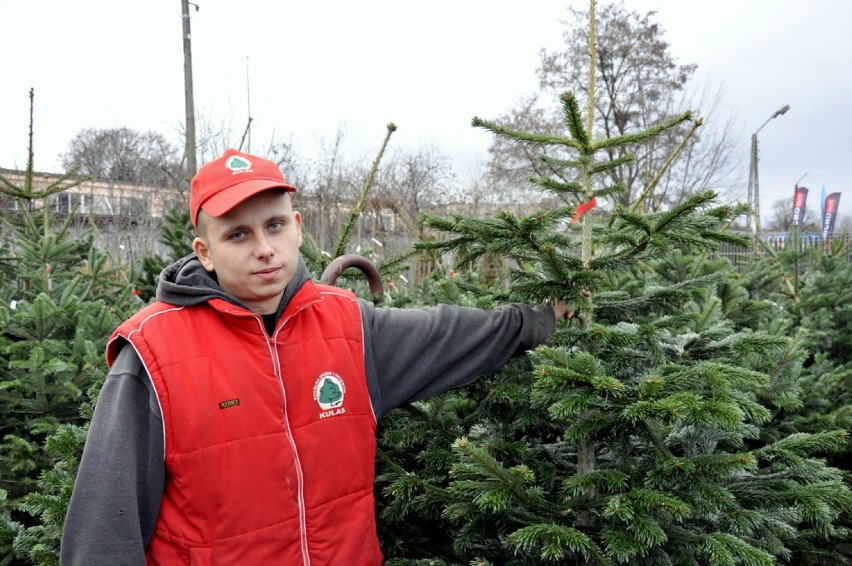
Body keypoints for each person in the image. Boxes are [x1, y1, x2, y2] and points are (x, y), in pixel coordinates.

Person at [60, 148, 569, 565]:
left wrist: (542, 319)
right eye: (238, 233)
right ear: (205, 251)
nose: (264, 248)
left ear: (298, 228)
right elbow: (103, 532)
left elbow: (452, 333)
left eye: (275, 225)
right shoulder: (152, 356)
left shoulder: (349, 326)